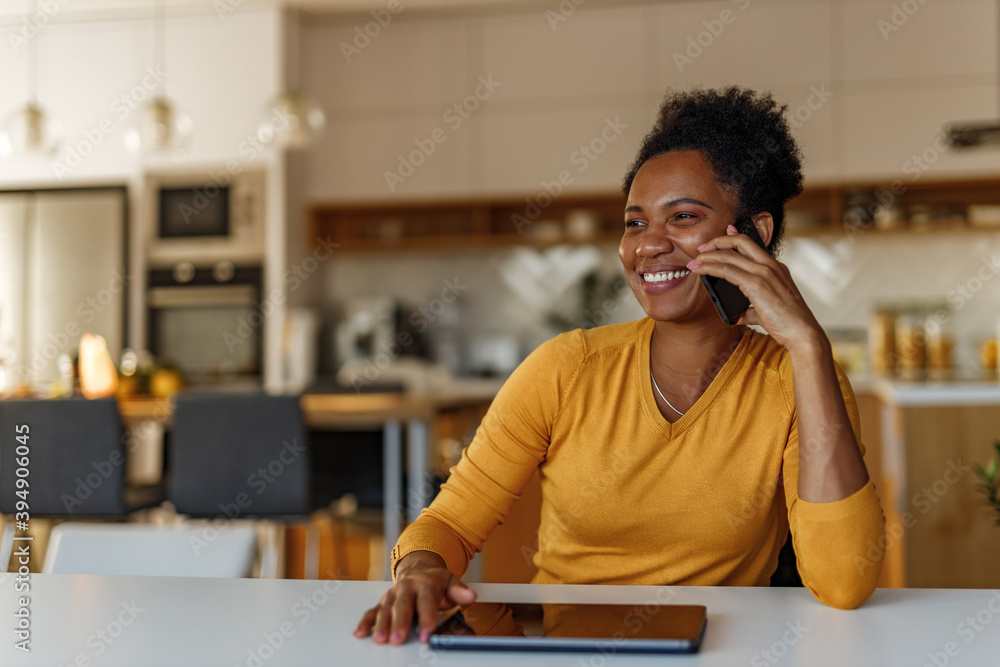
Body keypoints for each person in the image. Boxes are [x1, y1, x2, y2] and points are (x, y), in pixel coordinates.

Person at [355, 86, 886, 646]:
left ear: (755, 234)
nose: (649, 245)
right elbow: (449, 524)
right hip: (562, 650)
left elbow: (844, 582)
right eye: (635, 223)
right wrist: (420, 570)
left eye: (682, 217)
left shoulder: (798, 381)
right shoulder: (567, 369)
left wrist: (807, 344)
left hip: (717, 652)